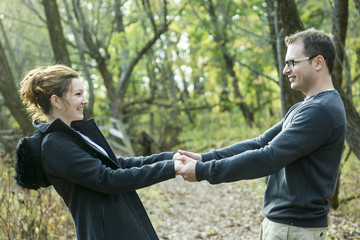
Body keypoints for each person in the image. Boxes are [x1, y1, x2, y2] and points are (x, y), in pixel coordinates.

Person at [175, 28, 346, 240]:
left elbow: (269, 156)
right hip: (285, 225)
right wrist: (204, 158)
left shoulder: (321, 111)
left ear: (318, 62)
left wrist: (204, 171)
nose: (286, 70)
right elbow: (260, 143)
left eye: (292, 62)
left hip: (294, 230)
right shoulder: (308, 107)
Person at [15, 64, 184, 239]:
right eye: (78, 94)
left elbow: (117, 164)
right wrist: (172, 168)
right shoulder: (55, 145)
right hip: (107, 233)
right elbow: (107, 179)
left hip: (118, 225)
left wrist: (171, 158)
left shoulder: (73, 135)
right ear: (56, 101)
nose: (85, 100)